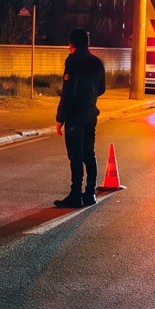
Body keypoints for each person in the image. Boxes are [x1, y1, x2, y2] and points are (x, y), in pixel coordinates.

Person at [54, 28, 106, 208]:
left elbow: (68, 91)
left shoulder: (73, 61)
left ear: (72, 44)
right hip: (91, 113)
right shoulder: (97, 62)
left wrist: (60, 118)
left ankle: (75, 194)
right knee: (89, 153)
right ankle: (90, 193)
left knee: (75, 156)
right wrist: (90, 96)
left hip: (75, 115)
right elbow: (102, 89)